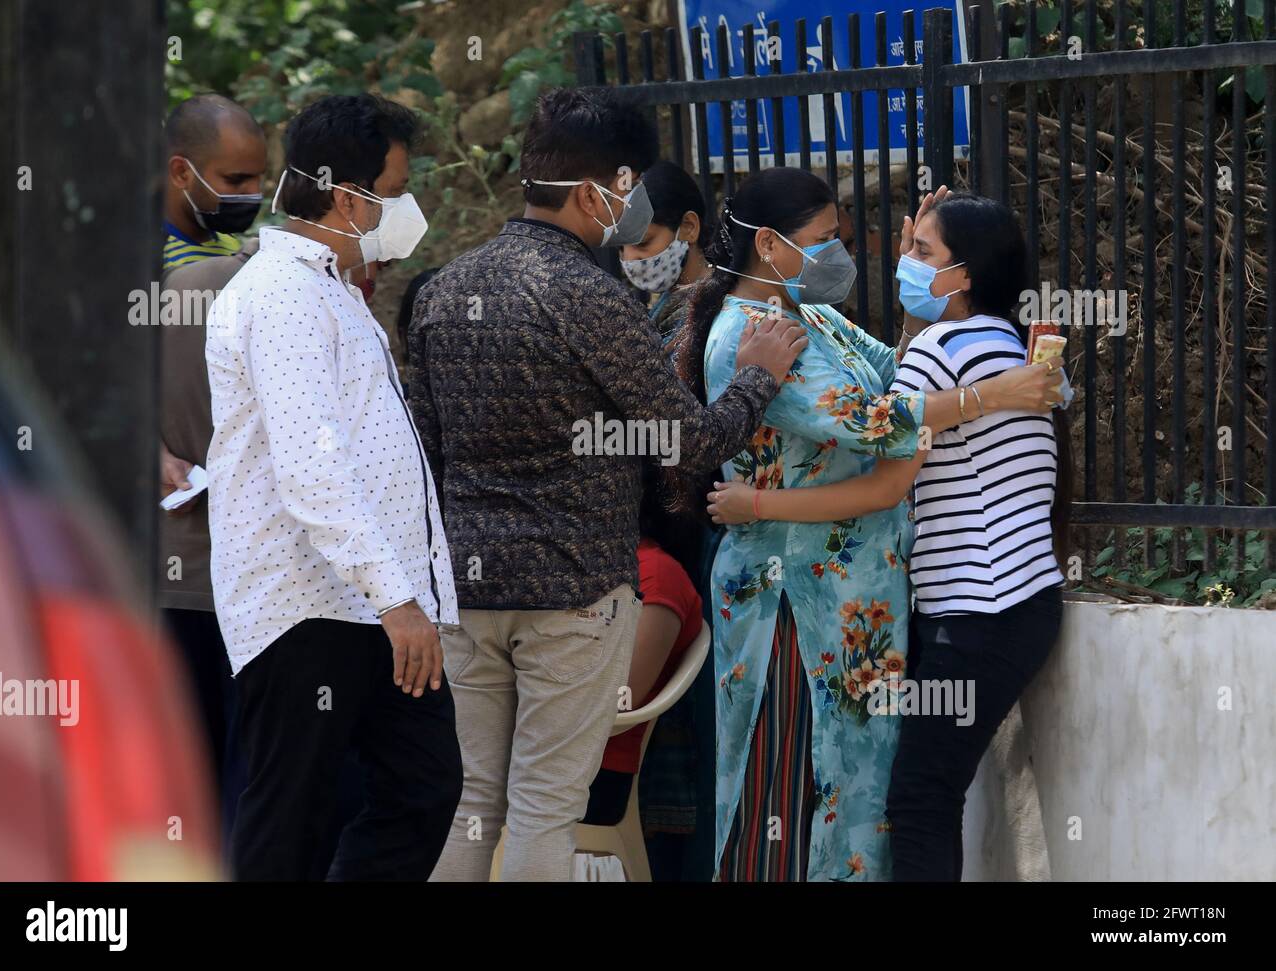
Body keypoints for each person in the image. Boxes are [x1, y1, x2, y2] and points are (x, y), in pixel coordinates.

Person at [408, 87, 807, 882]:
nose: (629, 209)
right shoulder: (590, 295)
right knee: (546, 806)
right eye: (628, 191)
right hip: (575, 586)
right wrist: (756, 381)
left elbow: (426, 456)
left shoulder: (446, 288)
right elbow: (688, 444)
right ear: (599, 190)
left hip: (464, 584)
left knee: (477, 800)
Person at [677, 168, 1061, 881]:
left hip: (857, 601)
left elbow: (891, 372)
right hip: (791, 603)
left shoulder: (808, 313)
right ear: (769, 243)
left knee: (862, 795)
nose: (839, 256)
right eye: (825, 241)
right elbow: (874, 423)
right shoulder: (747, 332)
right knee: (794, 780)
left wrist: (924, 288)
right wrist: (991, 392)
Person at [204, 93, 461, 881]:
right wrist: (399, 598)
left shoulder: (335, 288)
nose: (407, 206)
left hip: (369, 602)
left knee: (424, 786)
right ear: (350, 199)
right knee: (292, 817)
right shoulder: (281, 293)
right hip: (306, 603)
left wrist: (401, 596)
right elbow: (313, 470)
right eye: (398, 185)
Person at [158, 93, 267, 843]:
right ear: (180, 171)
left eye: (258, 178)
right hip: (172, 561)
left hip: (253, 563)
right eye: (232, 179)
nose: (247, 196)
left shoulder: (249, 265)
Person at [582, 463, 703, 829]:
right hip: (538, 750)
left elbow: (621, 698)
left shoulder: (656, 573)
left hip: (592, 771)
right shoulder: (576, 564)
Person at [618, 160, 712, 353]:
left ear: (689, 227)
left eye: (643, 243)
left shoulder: (716, 310)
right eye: (621, 246)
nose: (630, 257)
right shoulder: (668, 306)